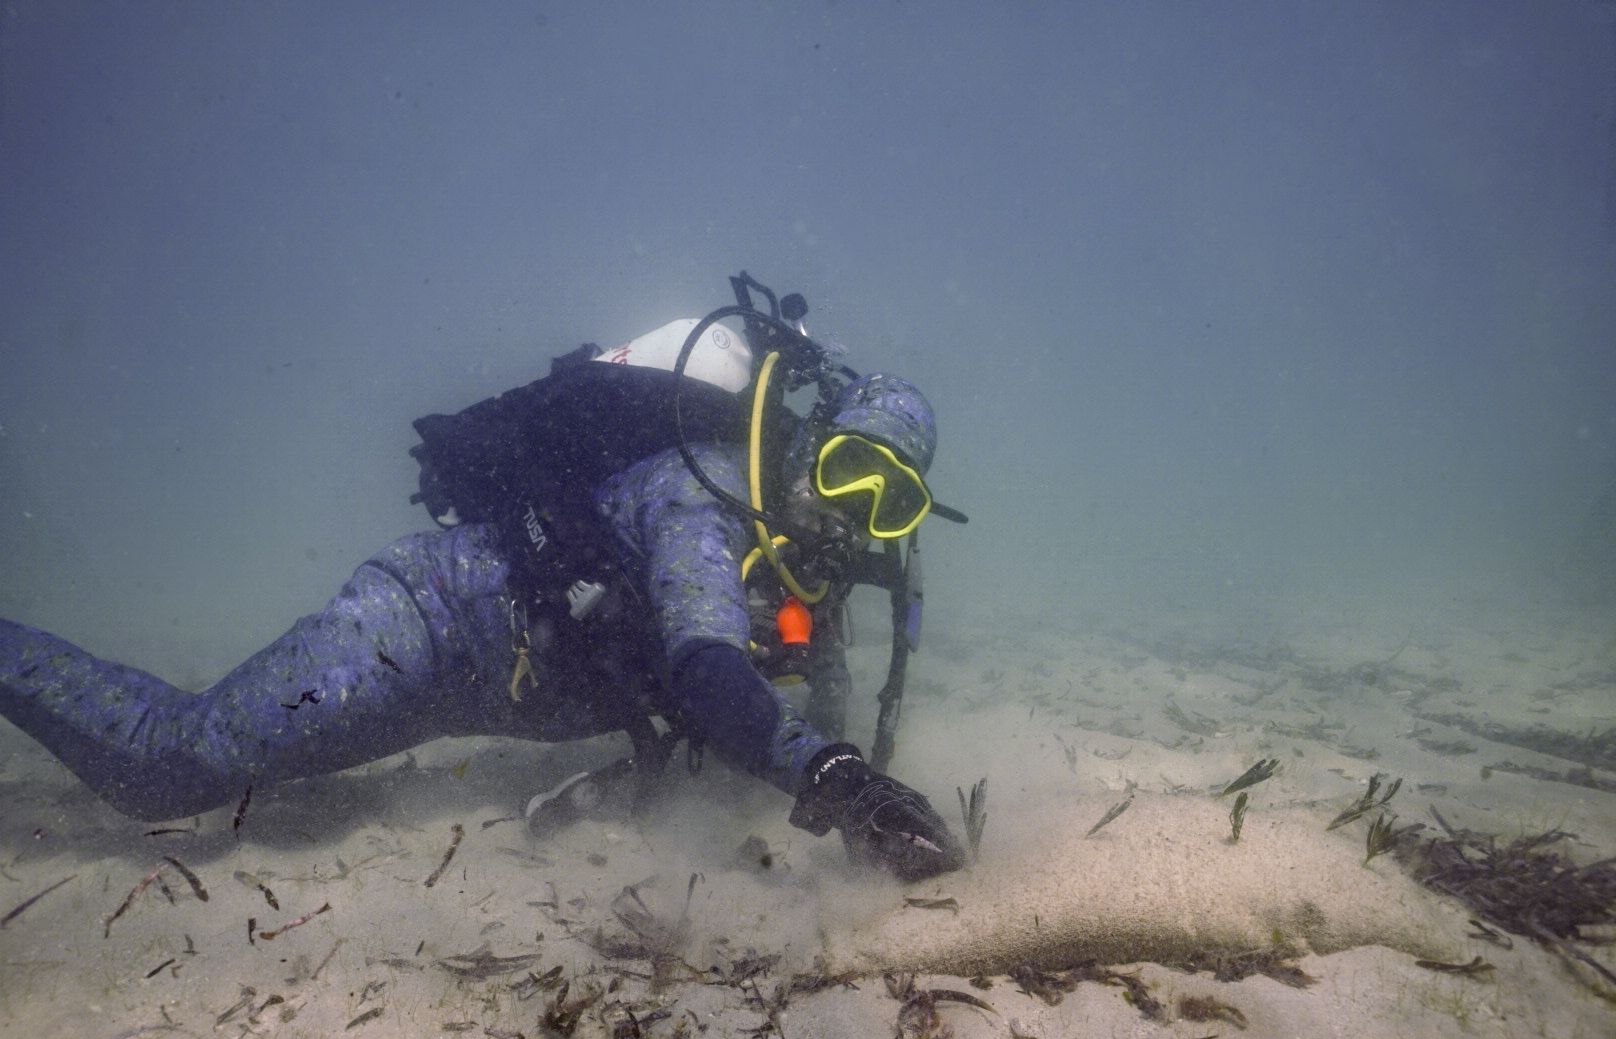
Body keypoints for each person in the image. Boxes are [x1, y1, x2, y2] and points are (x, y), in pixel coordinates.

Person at [0, 285, 965, 881]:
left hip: (462, 703)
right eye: (847, 472)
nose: (851, 511)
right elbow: (711, 674)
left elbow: (807, 696)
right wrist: (838, 780)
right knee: (167, 768)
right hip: (411, 631)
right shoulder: (697, 500)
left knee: (271, 779)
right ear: (805, 448)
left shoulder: (798, 572)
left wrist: (859, 778)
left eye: (889, 501)